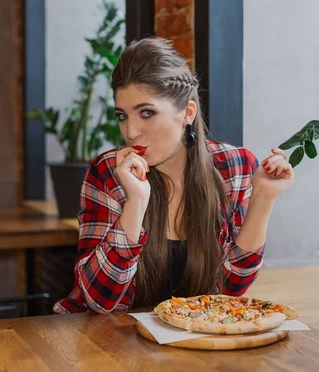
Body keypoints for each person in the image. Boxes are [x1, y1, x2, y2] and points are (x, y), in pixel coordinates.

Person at [53, 37, 294, 314]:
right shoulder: (109, 172)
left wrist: (263, 198)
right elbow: (100, 302)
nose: (131, 132)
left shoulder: (234, 167)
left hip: (187, 340)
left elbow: (230, 289)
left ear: (187, 113)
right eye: (122, 115)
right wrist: (136, 202)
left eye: (146, 113)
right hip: (104, 342)